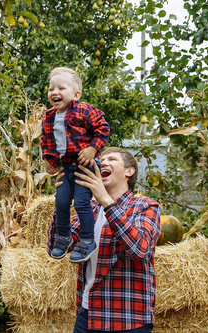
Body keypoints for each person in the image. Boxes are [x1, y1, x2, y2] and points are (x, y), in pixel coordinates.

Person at [47, 147, 161, 332]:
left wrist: (105, 200)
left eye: (112, 159)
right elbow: (55, 246)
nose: (103, 163)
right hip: (88, 316)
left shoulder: (145, 206)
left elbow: (141, 249)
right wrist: (62, 203)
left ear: (129, 171)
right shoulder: (89, 210)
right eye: (101, 160)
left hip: (128, 319)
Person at [41, 67, 110, 263]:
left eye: (61, 88)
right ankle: (63, 237)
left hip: (84, 164)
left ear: (76, 94)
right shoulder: (48, 117)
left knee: (81, 203)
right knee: (61, 202)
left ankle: (87, 240)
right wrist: (48, 160)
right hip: (66, 167)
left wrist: (92, 149)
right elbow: (46, 141)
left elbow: (103, 128)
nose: (55, 92)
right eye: (51, 88)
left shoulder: (84, 110)